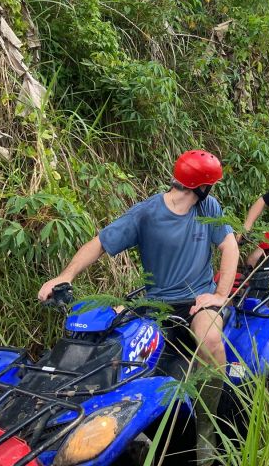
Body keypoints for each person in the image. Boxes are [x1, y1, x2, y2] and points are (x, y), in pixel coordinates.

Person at [37, 150, 238, 465]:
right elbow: (100, 243)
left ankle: (207, 427)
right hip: (155, 303)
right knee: (115, 350)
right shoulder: (146, 213)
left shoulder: (208, 208)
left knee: (210, 340)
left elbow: (229, 247)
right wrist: (65, 275)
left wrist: (220, 294)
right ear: (201, 187)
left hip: (198, 299)